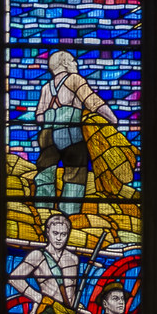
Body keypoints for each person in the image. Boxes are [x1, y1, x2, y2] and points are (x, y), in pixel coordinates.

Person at [34, 50, 118, 211]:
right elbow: (93, 102)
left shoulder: (46, 87)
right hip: (70, 134)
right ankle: (68, 215)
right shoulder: (74, 79)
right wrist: (112, 119)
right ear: (64, 63)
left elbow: (39, 116)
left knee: (45, 174)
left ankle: (43, 211)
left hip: (46, 136)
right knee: (75, 175)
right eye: (73, 61)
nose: (76, 64)